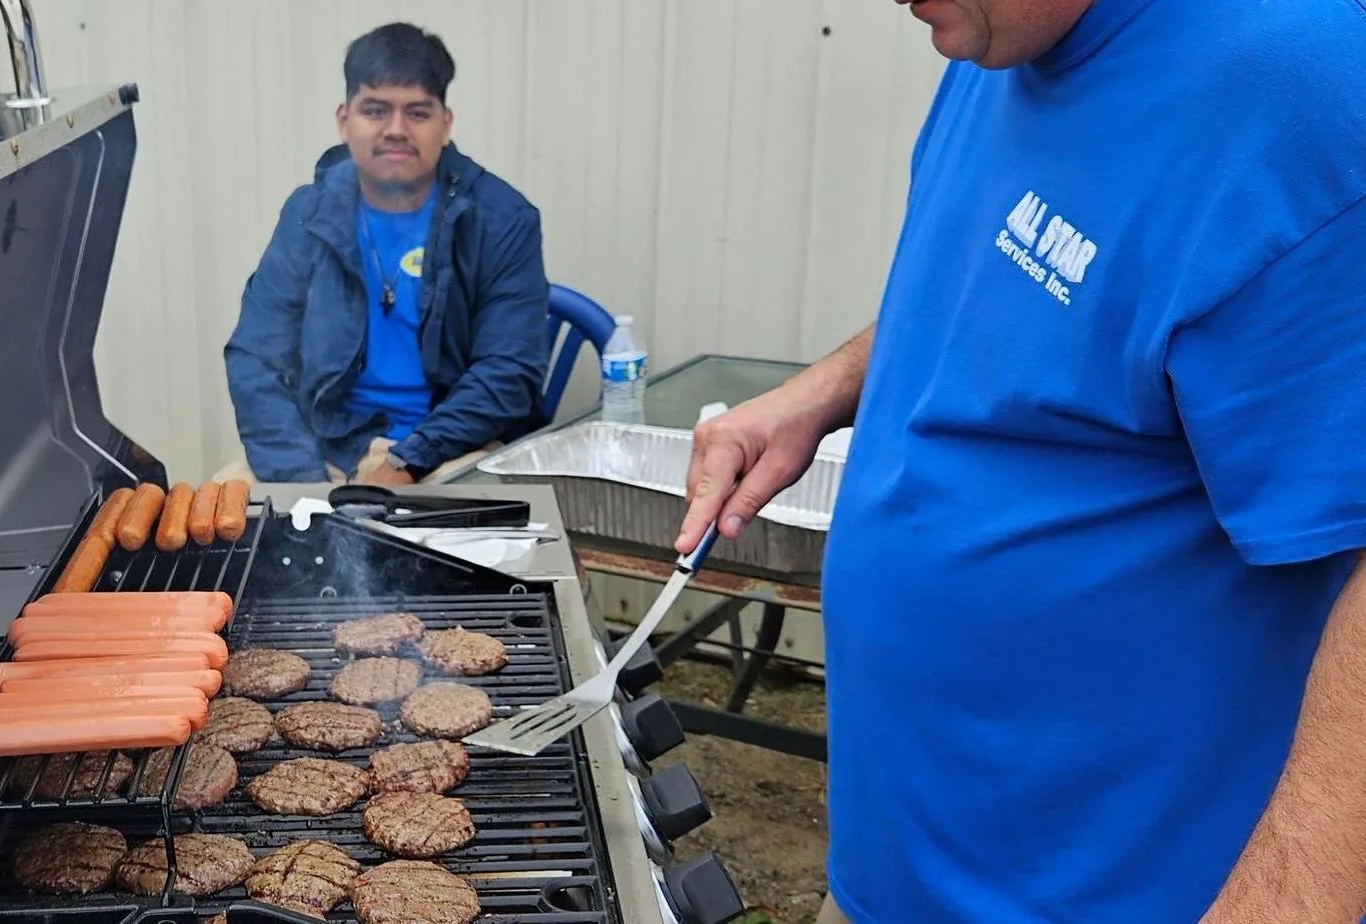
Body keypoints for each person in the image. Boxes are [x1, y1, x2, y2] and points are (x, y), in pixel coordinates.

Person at [674, 1, 1366, 922]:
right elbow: (1038, 292)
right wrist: (827, 387)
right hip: (896, 872)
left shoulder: (1310, 95)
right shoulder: (998, 32)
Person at [221, 22, 549, 486]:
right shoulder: (309, 214)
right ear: (344, 120)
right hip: (323, 448)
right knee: (219, 536)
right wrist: (304, 485)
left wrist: (405, 463)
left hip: (450, 451)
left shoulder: (501, 219)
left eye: (417, 113)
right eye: (375, 110)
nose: (396, 130)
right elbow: (256, 358)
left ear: (445, 123)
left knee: (444, 555)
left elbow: (508, 373)